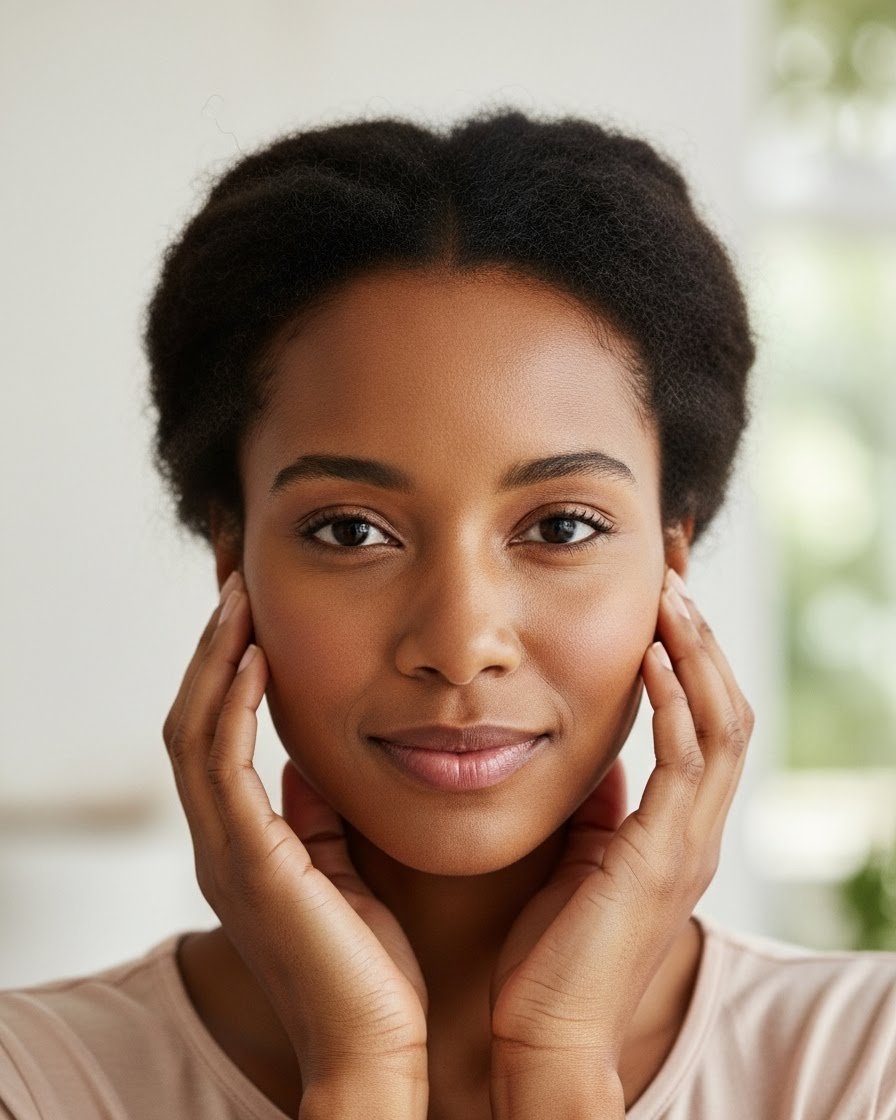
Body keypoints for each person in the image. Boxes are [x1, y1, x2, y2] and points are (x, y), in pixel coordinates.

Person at [1, 108, 894, 1120]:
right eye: (349, 531)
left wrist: (558, 1059)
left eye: (558, 525)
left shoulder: (861, 1067)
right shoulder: (33, 1083)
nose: (461, 644)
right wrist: (360, 1069)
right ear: (230, 554)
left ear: (671, 557)